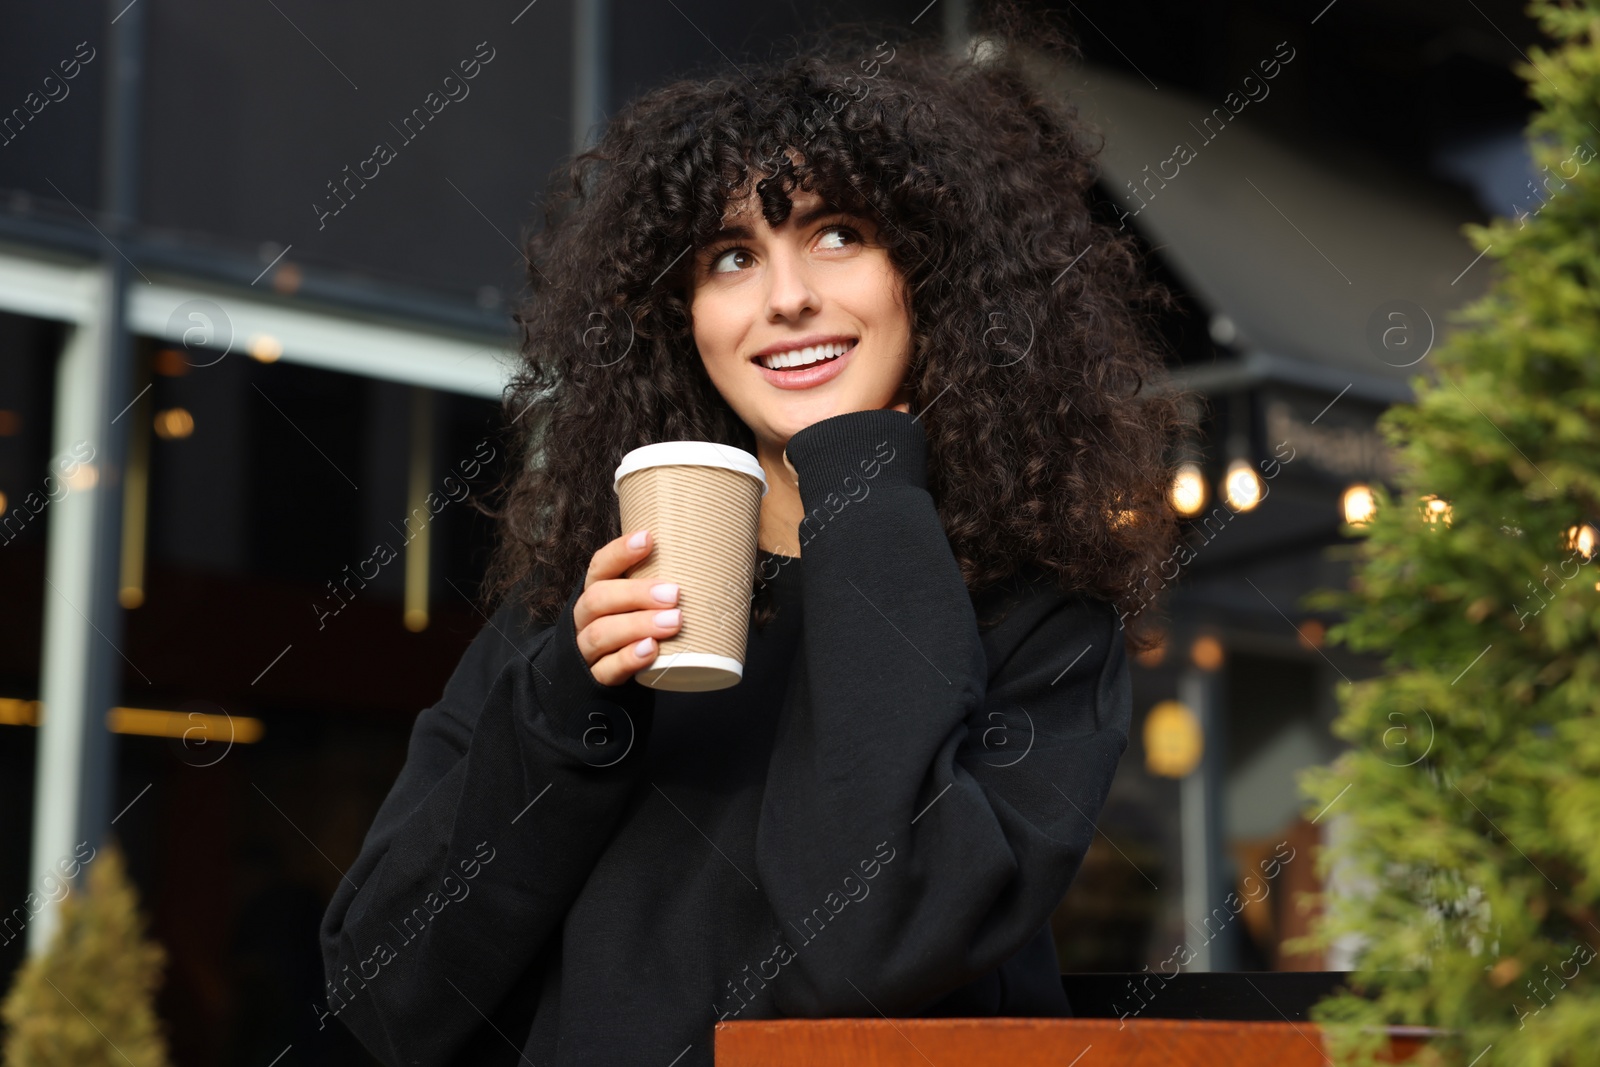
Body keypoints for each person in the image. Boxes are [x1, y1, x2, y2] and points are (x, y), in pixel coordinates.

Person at [319, 6, 1189, 1065]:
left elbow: (879, 946)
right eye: (731, 256)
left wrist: (861, 474)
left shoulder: (1036, 617)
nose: (785, 298)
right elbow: (388, 994)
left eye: (838, 235)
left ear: (933, 275)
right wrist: (568, 705)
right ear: (678, 316)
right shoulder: (578, 617)